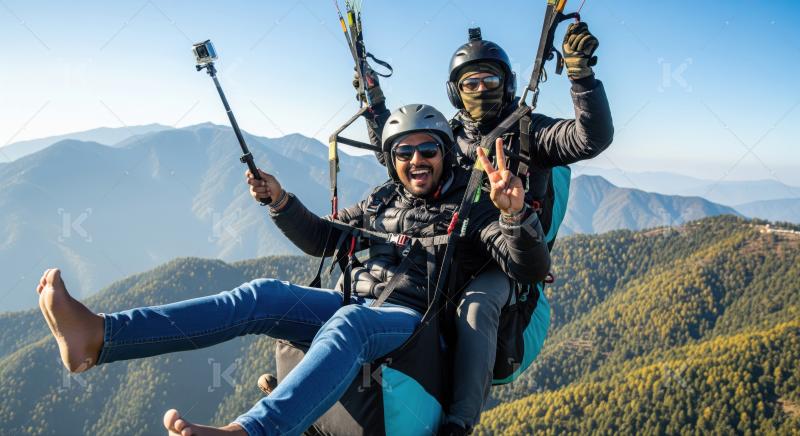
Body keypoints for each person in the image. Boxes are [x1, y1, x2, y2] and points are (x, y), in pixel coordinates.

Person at [36, 104, 551, 436]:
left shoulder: (475, 208)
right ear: (391, 160)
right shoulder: (380, 200)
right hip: (354, 302)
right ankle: (100, 338)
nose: (416, 160)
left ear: (445, 155)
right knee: (262, 294)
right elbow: (324, 237)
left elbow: (526, 267)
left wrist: (513, 213)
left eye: (428, 150)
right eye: (404, 152)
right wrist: (281, 200)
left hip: (408, 323)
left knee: (349, 324)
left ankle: (252, 433)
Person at [355, 22, 614, 434]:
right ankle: (325, 379)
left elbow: (591, 138)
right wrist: (374, 101)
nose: (479, 89)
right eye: (469, 82)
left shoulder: (534, 133)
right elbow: (400, 149)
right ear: (454, 91)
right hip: (456, 242)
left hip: (507, 254)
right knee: (366, 278)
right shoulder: (448, 135)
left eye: (489, 79)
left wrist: (581, 77)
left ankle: (460, 421)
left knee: (475, 304)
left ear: (506, 83)